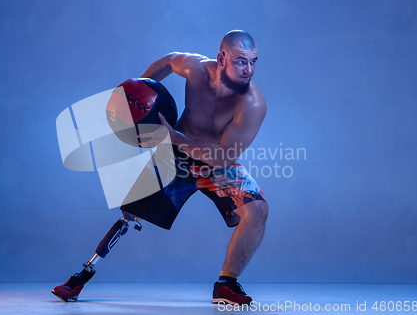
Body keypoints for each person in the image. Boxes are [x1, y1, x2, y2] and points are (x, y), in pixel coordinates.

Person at [52, 30, 268, 305]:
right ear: (221, 58)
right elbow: (167, 62)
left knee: (258, 210)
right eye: (241, 61)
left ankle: (227, 284)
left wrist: (172, 136)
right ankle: (81, 276)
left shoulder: (253, 104)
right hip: (175, 156)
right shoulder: (195, 68)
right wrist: (137, 95)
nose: (248, 69)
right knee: (130, 213)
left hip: (214, 162)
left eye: (253, 62)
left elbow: (224, 157)